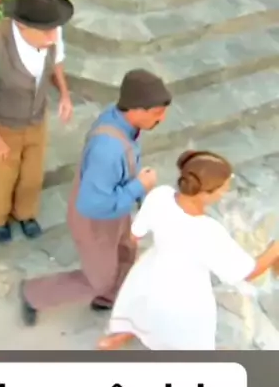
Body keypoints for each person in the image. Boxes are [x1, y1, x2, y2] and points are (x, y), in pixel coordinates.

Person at [19, 69, 172, 324]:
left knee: (126, 251)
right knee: (98, 280)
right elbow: (94, 205)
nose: (162, 118)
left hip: (117, 207)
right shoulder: (108, 150)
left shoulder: (121, 120)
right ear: (136, 110)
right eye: (157, 113)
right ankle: (34, 294)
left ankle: (110, 297)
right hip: (96, 220)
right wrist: (139, 186)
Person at [97, 150, 279, 352]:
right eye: (223, 188)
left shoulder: (160, 195)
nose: (225, 192)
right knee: (189, 331)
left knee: (141, 304)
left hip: (152, 269)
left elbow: (135, 235)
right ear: (205, 193)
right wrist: (274, 250)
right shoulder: (208, 231)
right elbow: (246, 272)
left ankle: (126, 333)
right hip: (187, 288)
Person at [0, 0, 74, 244]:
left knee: (32, 175)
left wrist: (65, 95)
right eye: (45, 32)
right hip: (3, 125)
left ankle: (25, 214)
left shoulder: (51, 31)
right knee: (1, 179)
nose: (53, 36)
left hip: (35, 120)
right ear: (22, 26)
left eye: (54, 29)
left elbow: (56, 61)